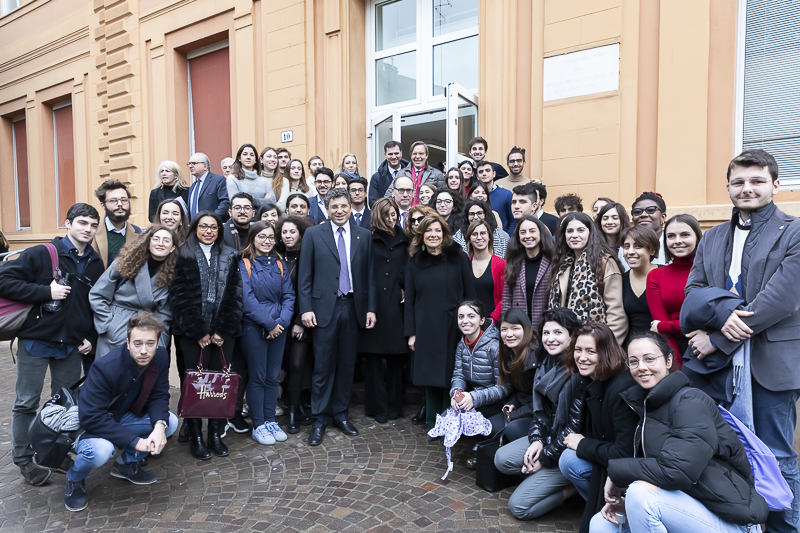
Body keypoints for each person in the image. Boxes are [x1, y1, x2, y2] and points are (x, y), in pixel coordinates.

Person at [685, 148, 800, 533]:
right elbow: (694, 293)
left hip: (770, 366)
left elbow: (782, 298)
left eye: (756, 181)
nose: (746, 188)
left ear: (775, 185)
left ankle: (785, 528)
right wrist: (721, 319)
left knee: (776, 456)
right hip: (715, 371)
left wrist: (718, 338)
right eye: (738, 182)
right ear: (728, 187)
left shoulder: (795, 230)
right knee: (725, 453)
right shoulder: (712, 236)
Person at [589, 332, 769, 533]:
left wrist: (616, 474)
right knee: (601, 524)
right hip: (686, 506)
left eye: (649, 359)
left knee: (640, 495)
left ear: (668, 361)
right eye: (633, 361)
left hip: (730, 519)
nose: (641, 367)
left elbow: (677, 472)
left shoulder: (691, 401)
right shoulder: (646, 406)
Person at [0, 203, 104, 486]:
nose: (88, 229)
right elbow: (3, 280)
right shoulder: (42, 253)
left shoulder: (95, 262)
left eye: (93, 225)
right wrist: (45, 291)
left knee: (66, 406)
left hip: (70, 345)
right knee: (26, 403)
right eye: (82, 223)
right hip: (36, 340)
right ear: (67, 223)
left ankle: (55, 454)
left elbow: (93, 305)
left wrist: (90, 338)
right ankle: (24, 460)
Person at [63, 312, 179, 512]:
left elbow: (159, 394)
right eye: (138, 343)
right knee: (101, 451)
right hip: (90, 425)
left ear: (158, 342)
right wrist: (137, 441)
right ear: (127, 343)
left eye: (150, 343)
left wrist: (160, 426)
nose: (144, 350)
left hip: (121, 416)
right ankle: (74, 478)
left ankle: (125, 464)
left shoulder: (160, 356)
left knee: (170, 422)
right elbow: (91, 418)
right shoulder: (105, 367)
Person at [297, 189, 377, 446]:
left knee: (346, 364)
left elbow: (370, 276)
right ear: (327, 208)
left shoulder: (363, 235)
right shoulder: (313, 234)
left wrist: (371, 309)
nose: (340, 210)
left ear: (350, 206)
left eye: (344, 206)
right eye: (335, 207)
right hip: (323, 309)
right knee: (323, 365)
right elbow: (304, 276)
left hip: (353, 307)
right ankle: (319, 417)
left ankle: (340, 413)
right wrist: (306, 308)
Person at [494, 307, 583, 520]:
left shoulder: (580, 368)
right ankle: (544, 476)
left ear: (572, 336)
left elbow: (574, 427)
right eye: (546, 333)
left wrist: (544, 457)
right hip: (550, 435)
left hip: (570, 448)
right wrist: (536, 440)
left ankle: (574, 489)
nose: (550, 339)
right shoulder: (545, 361)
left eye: (558, 332)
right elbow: (540, 412)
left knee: (519, 508)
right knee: (501, 459)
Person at [169, 212, 243, 460]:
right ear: (195, 228)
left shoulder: (231, 255)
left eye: (213, 227)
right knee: (194, 383)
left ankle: (214, 434)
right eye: (204, 226)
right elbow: (179, 296)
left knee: (218, 384)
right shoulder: (181, 253)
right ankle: (195, 436)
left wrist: (222, 330)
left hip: (224, 332)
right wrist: (199, 331)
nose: (209, 231)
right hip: (191, 332)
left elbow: (235, 294)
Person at [557, 322, 638, 533]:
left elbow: (624, 452)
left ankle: (620, 512)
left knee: (570, 459)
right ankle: (600, 503)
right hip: (608, 461)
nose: (582, 357)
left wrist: (583, 444)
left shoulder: (621, 389)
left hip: (631, 474)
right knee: (567, 459)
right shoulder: (590, 380)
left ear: (606, 352)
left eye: (590, 351)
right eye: (578, 350)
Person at [405, 215, 476, 432]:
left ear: (444, 234)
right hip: (425, 325)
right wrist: (411, 333)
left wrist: (471, 325)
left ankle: (450, 420)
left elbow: (470, 293)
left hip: (454, 325)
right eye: (428, 231)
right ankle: (432, 421)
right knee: (429, 374)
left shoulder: (459, 257)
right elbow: (410, 299)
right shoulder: (414, 260)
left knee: (451, 374)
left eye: (437, 230)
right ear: (422, 235)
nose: (433, 235)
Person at [239, 221, 295, 445]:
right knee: (258, 377)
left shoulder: (279, 263)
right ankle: (259, 424)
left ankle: (271, 420)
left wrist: (281, 322)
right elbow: (247, 298)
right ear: (253, 238)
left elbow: (289, 296)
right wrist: (268, 323)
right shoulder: (244, 263)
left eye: (270, 237)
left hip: (278, 327)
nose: (267, 241)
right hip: (254, 327)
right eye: (262, 236)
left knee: (273, 377)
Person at [89, 226, 177, 357]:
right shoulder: (125, 262)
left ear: (172, 248)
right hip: (117, 327)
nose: (160, 243)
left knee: (140, 376)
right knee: (110, 374)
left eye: (166, 240)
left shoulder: (172, 274)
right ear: (148, 242)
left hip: (147, 334)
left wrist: (159, 341)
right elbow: (97, 295)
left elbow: (165, 314)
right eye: (156, 238)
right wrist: (108, 325)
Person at [359, 198, 409, 423]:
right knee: (373, 358)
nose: (392, 219)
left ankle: (394, 405)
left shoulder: (405, 239)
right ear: (378, 215)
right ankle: (377, 406)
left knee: (396, 358)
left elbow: (409, 267)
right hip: (374, 303)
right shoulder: (368, 239)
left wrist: (403, 286)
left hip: (396, 304)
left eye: (395, 215)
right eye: (388, 215)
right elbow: (364, 270)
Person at [548, 212, 628, 345]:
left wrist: (605, 348)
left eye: (580, 230)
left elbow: (617, 315)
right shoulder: (562, 264)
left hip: (594, 344)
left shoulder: (605, 262)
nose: (574, 235)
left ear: (591, 233)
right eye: (570, 231)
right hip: (563, 344)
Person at [450, 300, 507, 466]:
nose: (465, 320)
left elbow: (504, 387)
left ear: (482, 320)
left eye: (471, 316)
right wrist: (457, 394)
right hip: (476, 396)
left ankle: (482, 446)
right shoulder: (462, 345)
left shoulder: (494, 345)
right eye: (461, 316)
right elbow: (458, 374)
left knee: (474, 412)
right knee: (452, 413)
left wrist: (474, 397)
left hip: (499, 401)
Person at [275, 215, 314, 432]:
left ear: (300, 233)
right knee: (284, 365)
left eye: (292, 232)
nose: (288, 236)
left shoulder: (307, 256)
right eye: (284, 232)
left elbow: (307, 291)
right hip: (278, 320)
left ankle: (293, 411)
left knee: (298, 365)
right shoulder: (275, 256)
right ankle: (294, 405)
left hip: (300, 319)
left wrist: (299, 321)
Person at [647, 214, 702, 356]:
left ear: (697, 237)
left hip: (709, 347)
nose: (677, 241)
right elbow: (663, 331)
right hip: (674, 350)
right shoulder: (656, 276)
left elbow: (709, 322)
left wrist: (665, 326)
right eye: (671, 236)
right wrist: (675, 366)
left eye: (685, 235)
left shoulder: (711, 271)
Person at [493, 308, 540, 441]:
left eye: (515, 328)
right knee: (489, 426)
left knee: (511, 429)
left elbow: (540, 401)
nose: (509, 334)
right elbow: (518, 391)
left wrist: (515, 414)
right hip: (521, 408)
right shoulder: (508, 355)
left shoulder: (534, 358)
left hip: (537, 414)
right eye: (504, 329)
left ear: (526, 330)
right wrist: (512, 403)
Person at [502, 215, 554, 330]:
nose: (527, 236)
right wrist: (506, 324)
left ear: (541, 233)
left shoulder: (552, 262)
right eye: (523, 232)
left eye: (532, 231)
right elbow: (507, 298)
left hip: (545, 325)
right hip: (519, 325)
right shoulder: (514, 262)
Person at [619, 226, 659, 347]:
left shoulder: (664, 275)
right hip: (630, 349)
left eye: (638, 246)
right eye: (626, 246)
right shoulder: (620, 280)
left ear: (651, 250)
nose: (630, 251)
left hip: (661, 347)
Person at [93, 179, 143, 268]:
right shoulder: (92, 230)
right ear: (103, 205)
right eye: (113, 200)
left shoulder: (138, 233)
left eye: (124, 200)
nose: (120, 204)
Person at [465, 220, 506, 324]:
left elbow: (504, 297)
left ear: (489, 237)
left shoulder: (501, 264)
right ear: (469, 238)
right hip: (469, 324)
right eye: (474, 234)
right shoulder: (464, 264)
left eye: (483, 233)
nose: (479, 237)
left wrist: (492, 320)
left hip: (493, 324)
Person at [227, 143, 276, 210]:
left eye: (252, 155)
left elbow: (272, 202)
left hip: (262, 218)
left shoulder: (263, 181)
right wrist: (263, 201)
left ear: (256, 159)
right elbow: (237, 203)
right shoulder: (232, 179)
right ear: (239, 158)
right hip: (242, 218)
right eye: (245, 154)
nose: (248, 157)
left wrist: (248, 199)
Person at [187, 152, 230, 221]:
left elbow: (225, 202)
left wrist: (212, 219)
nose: (190, 166)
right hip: (194, 228)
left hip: (211, 226)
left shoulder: (218, 180)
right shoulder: (193, 186)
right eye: (189, 164)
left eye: (194, 163)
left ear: (205, 166)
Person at [475, 160, 514, 232]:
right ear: (477, 176)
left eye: (487, 170)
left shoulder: (506, 194)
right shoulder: (474, 196)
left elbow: (513, 220)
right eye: (481, 172)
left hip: (502, 240)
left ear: (494, 174)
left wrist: (508, 239)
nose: (484, 173)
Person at [630, 191, 668, 265]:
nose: (643, 215)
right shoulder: (625, 246)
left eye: (650, 210)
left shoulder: (672, 242)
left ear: (663, 217)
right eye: (637, 212)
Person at [369, 140, 408, 207]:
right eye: (390, 154)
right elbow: (373, 203)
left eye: (396, 153)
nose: (393, 157)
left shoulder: (410, 174)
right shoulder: (377, 178)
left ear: (401, 153)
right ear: (385, 155)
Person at [594, 202, 631, 269]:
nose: (609, 222)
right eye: (605, 218)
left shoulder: (630, 244)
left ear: (622, 220)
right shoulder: (593, 246)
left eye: (615, 218)